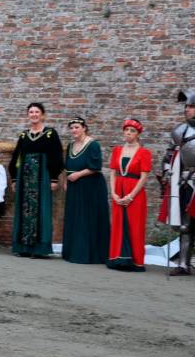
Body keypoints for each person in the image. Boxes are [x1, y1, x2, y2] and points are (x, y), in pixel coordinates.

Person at [9, 103, 63, 257]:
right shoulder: (24, 135)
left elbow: (56, 156)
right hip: (24, 179)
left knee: (42, 210)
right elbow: (17, 157)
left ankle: (39, 249)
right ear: (28, 115)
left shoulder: (50, 134)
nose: (33, 114)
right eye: (31, 112)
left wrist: (53, 178)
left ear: (43, 115)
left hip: (42, 178)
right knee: (24, 209)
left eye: (37, 112)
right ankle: (23, 247)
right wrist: (14, 178)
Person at [62, 117, 110, 264]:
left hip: (90, 186)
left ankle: (88, 254)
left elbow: (95, 166)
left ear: (84, 128)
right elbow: (67, 166)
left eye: (77, 127)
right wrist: (65, 180)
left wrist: (78, 174)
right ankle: (73, 252)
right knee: (75, 218)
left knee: (87, 219)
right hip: (74, 186)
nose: (74, 130)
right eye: (72, 128)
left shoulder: (92, 144)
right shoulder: (70, 145)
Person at [107, 119, 151, 272]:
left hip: (135, 193)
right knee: (119, 224)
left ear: (138, 134)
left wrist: (131, 196)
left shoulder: (144, 153)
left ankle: (135, 261)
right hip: (119, 190)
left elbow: (143, 177)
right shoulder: (117, 151)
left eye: (132, 131)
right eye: (126, 130)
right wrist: (113, 192)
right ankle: (117, 258)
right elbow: (112, 173)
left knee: (135, 225)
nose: (128, 133)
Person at [161, 90, 195, 276]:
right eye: (186, 107)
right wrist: (167, 171)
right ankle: (183, 264)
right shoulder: (180, 131)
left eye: (191, 106)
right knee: (186, 226)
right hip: (185, 183)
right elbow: (169, 155)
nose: (187, 110)